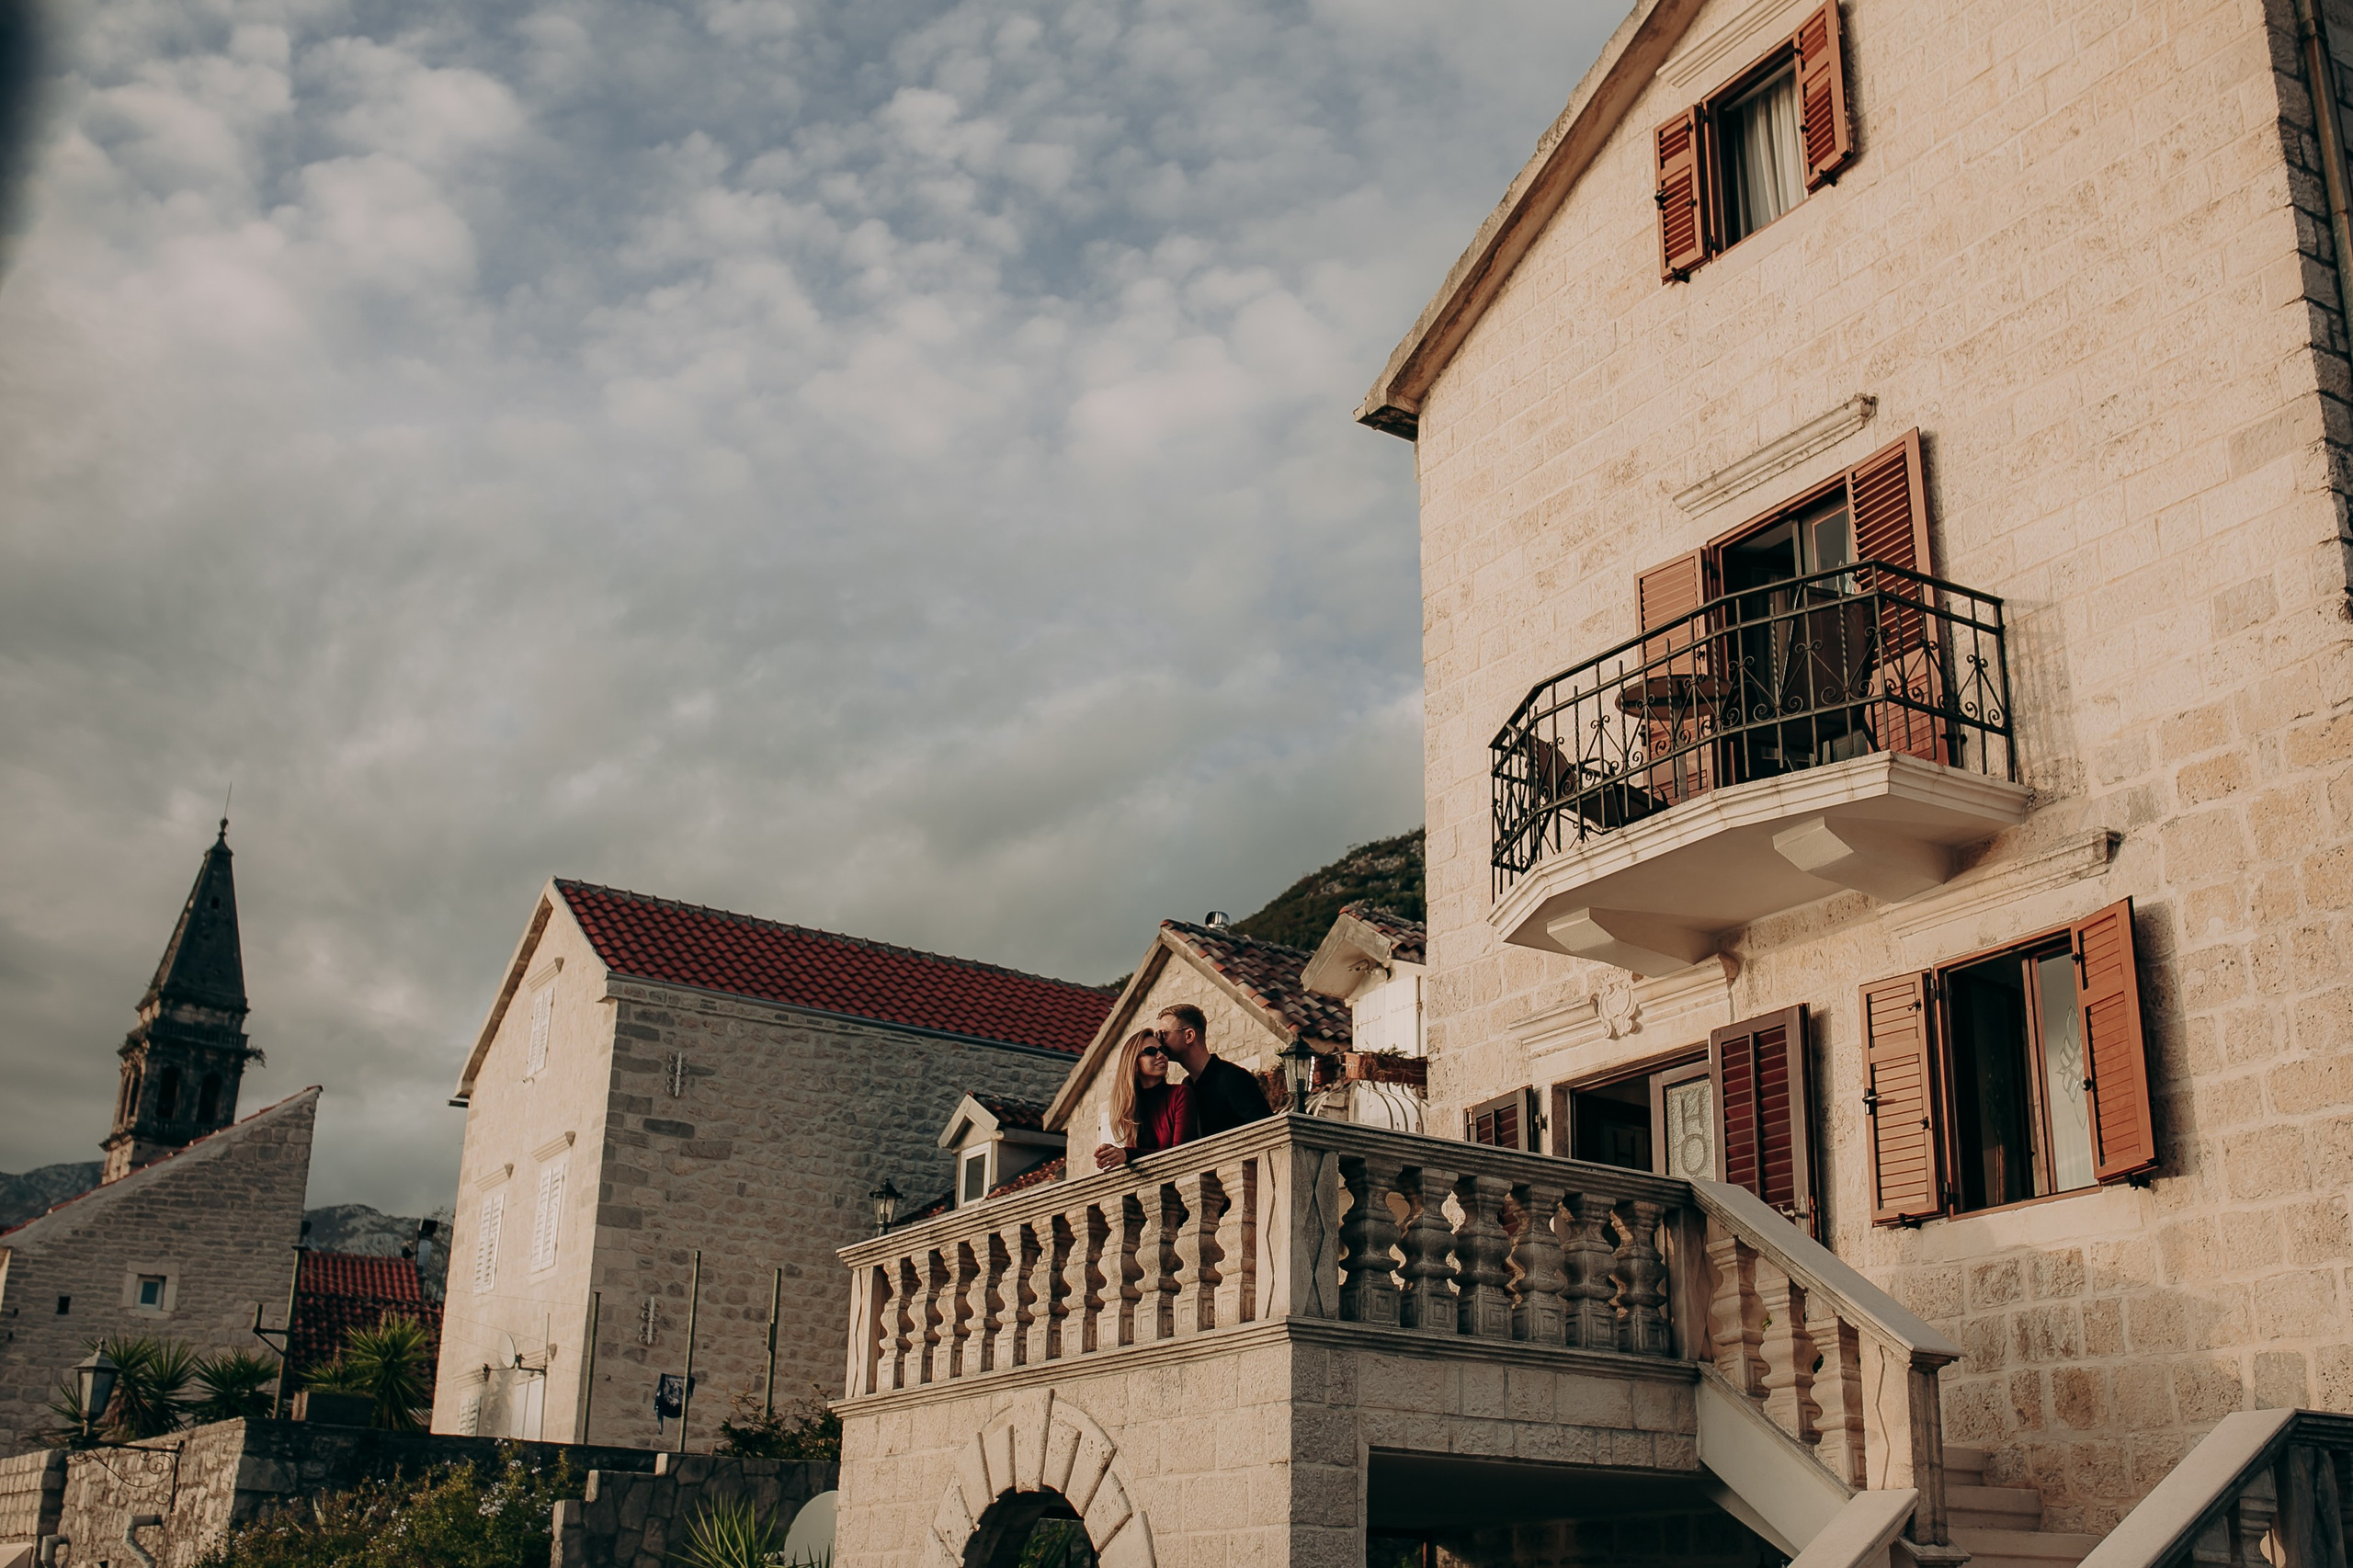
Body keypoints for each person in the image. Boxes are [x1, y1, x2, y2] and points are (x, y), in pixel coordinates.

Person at [1154, 1004, 1275, 1137]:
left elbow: (1269, 1131)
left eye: (1163, 1034)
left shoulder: (1232, 1078)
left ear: (1189, 1036)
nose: (1159, 1042)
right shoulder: (1187, 1086)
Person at [1095, 1028, 1196, 1170]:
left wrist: (1127, 1154)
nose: (1161, 1055)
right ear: (1134, 1062)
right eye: (1151, 1051)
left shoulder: (1180, 1094)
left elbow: (1181, 1154)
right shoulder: (1128, 1107)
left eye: (1163, 1050)